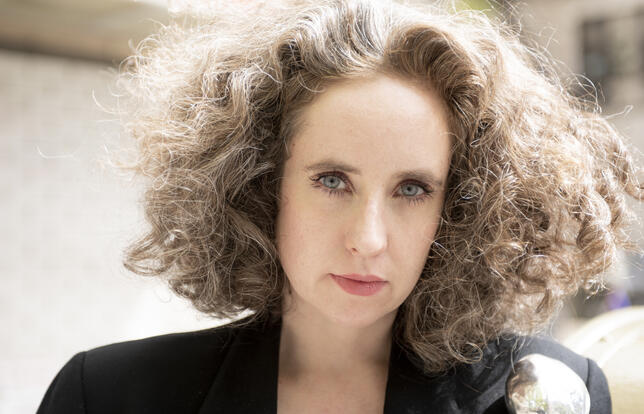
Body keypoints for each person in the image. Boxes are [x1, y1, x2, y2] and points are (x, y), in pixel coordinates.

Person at [37, 0, 643, 413]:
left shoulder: (549, 394)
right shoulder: (107, 395)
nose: (369, 239)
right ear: (259, 183)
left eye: (412, 189)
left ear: (461, 210)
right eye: (332, 181)